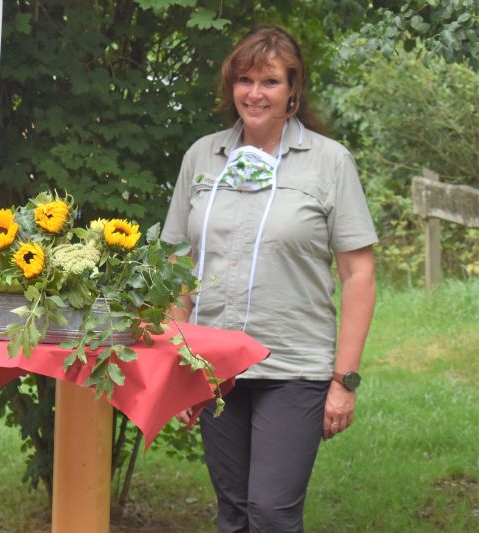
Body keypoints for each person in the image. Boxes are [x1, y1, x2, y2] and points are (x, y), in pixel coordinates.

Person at [162, 27, 377, 532]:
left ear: (293, 92)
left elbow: (358, 273)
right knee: (234, 513)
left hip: (294, 366)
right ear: (230, 86)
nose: (255, 93)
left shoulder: (330, 162)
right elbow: (177, 264)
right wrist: (178, 364)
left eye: (270, 81)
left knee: (273, 514)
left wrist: (344, 381)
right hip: (213, 367)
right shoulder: (202, 157)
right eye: (244, 80)